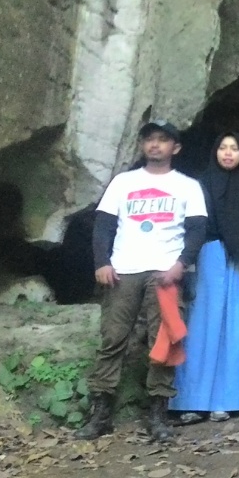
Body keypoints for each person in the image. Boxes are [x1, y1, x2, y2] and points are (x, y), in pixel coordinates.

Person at [77, 120, 207, 441]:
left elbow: (197, 231)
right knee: (112, 339)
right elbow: (103, 225)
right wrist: (102, 262)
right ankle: (101, 414)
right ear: (142, 145)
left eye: (162, 139)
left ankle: (158, 416)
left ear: (176, 147)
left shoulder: (188, 186)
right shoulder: (123, 182)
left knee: (163, 341)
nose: (155, 144)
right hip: (124, 270)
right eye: (149, 139)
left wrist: (181, 265)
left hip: (164, 273)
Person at [171, 132, 239, 423]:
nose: (228, 153)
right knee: (200, 328)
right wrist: (187, 266)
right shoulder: (201, 184)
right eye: (223, 147)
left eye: (234, 148)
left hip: (238, 262)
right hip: (206, 258)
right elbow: (191, 227)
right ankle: (191, 401)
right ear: (215, 152)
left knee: (234, 328)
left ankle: (225, 401)